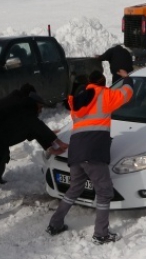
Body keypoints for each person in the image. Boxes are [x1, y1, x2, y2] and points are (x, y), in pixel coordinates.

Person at [46, 69, 134, 244]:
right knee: (104, 192)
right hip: (93, 151)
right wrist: (127, 79)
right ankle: (101, 234)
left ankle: (55, 224)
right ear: (103, 82)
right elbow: (127, 94)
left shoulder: (80, 100)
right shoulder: (105, 95)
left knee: (74, 189)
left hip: (76, 151)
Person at [0, 89, 68, 225]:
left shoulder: (18, 106)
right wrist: (55, 140)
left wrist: (48, 141)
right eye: (40, 107)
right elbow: (35, 124)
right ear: (34, 104)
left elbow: (33, 129)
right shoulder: (24, 109)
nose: (40, 111)